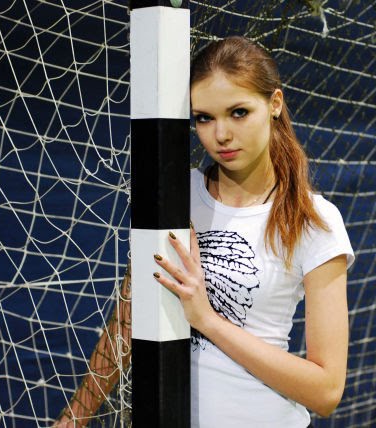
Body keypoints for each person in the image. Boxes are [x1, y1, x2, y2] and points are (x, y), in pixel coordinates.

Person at [55, 35, 355, 428]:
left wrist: (208, 320)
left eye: (239, 112)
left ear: (275, 104)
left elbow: (326, 392)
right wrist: (73, 419)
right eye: (204, 118)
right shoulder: (174, 195)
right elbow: (128, 321)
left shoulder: (313, 219)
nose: (221, 134)